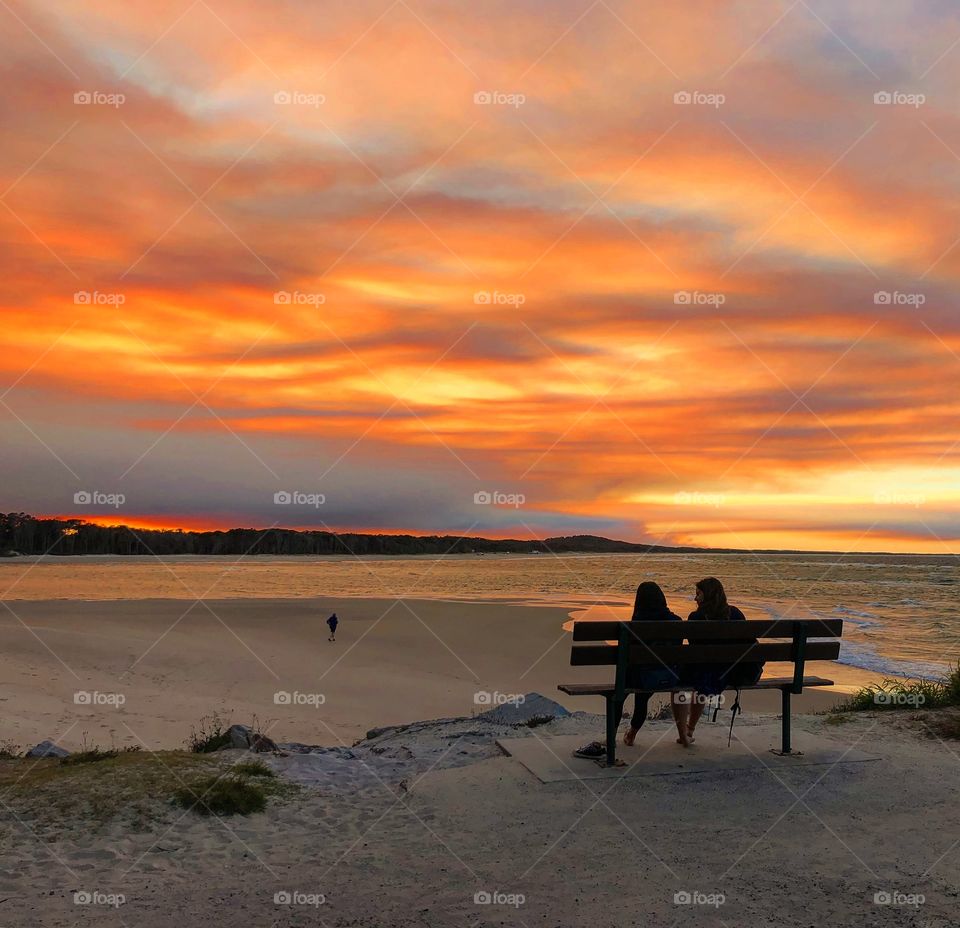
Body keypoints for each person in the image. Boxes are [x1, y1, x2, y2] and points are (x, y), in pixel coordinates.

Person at [574, 581, 682, 759]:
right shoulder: (677, 622)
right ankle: (632, 733)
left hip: (638, 677)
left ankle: (612, 736)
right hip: (664, 677)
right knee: (642, 697)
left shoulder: (634, 625)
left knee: (619, 694)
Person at [673, 577, 763, 746]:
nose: (695, 598)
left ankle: (684, 733)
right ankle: (690, 729)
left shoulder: (696, 617)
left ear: (707, 595)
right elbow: (747, 642)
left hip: (706, 672)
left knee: (679, 684)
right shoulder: (736, 614)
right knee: (700, 677)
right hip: (730, 673)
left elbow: (694, 645)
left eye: (698, 594)